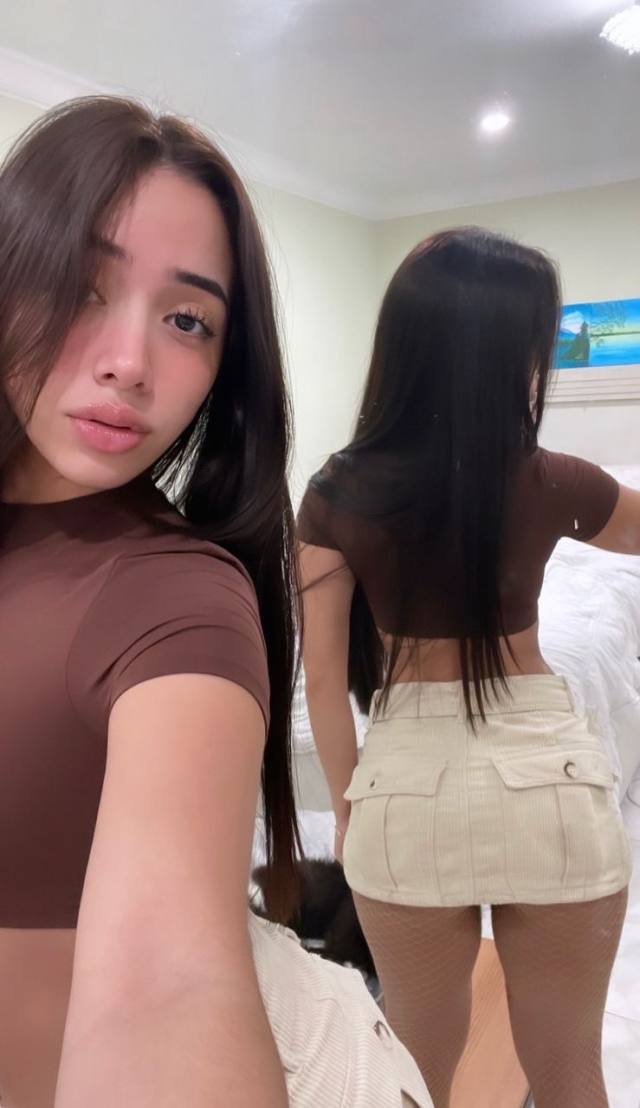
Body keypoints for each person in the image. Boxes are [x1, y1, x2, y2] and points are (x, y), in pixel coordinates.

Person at [0, 97, 432, 1108]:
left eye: (187, 320)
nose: (129, 362)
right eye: (80, 286)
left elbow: (171, 985)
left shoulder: (172, 596)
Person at [297, 227, 637, 1108]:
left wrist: (351, 808)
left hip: (404, 797)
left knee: (413, 1070)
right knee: (570, 1074)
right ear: (508, 356)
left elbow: (324, 682)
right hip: (552, 783)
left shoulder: (335, 491)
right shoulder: (554, 479)